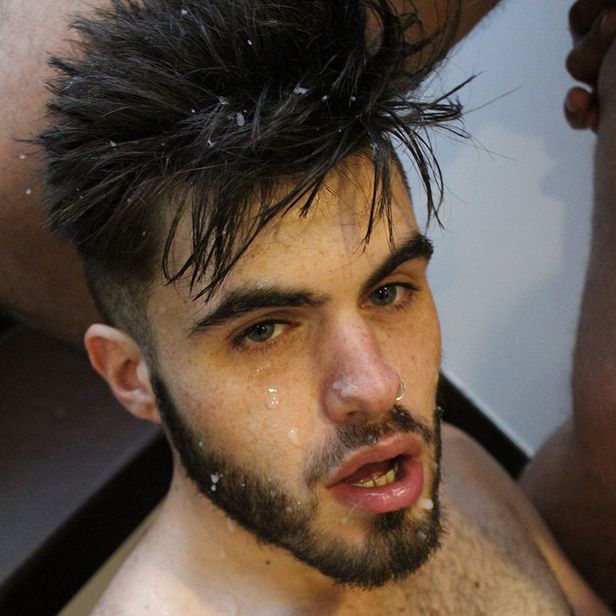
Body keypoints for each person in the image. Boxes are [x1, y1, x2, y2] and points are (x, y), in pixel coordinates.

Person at [30, 0, 616, 613]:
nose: (377, 387)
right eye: (264, 330)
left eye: (387, 293)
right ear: (133, 377)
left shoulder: (458, 473)